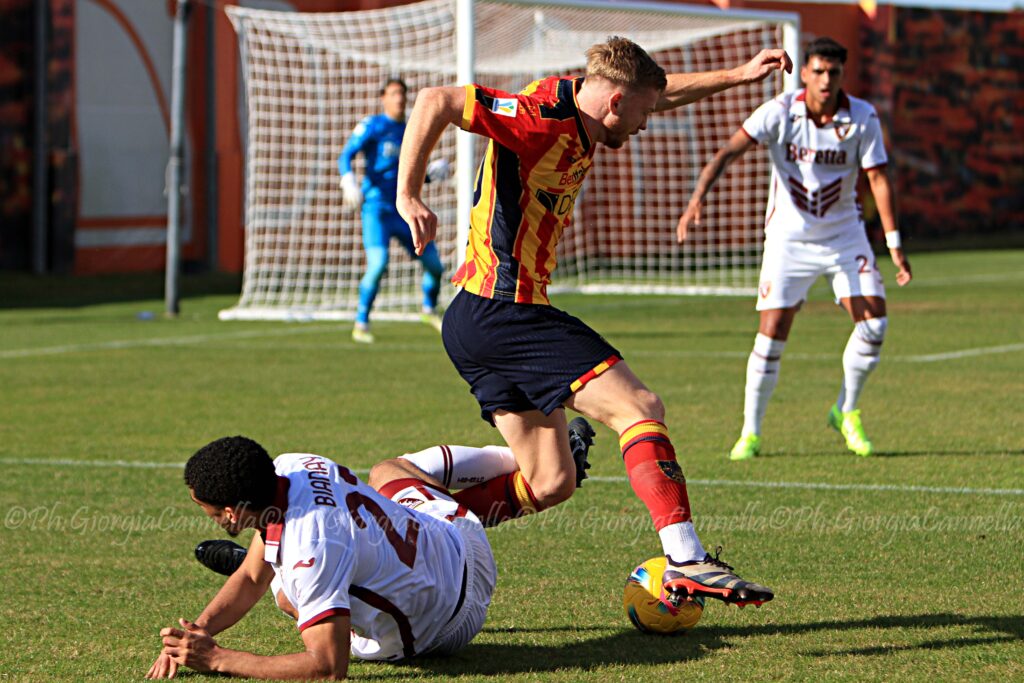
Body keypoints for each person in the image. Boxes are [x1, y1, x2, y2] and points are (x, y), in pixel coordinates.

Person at [395, 37, 791, 607]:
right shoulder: (538, 118)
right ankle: (685, 556)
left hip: (476, 322)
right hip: (504, 309)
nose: (646, 126)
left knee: (549, 481)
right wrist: (408, 194)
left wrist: (737, 75)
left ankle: (396, 524)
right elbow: (436, 99)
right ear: (615, 101)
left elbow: (659, 92)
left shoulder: (585, 99)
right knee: (640, 407)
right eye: (643, 115)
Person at [146, 432, 566, 679]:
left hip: (444, 630)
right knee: (388, 471)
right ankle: (528, 460)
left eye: (210, 512)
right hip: (462, 544)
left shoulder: (308, 556)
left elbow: (328, 667)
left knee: (287, 593)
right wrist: (196, 631)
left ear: (233, 512)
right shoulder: (294, 465)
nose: (209, 517)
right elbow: (252, 576)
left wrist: (218, 658)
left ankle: (273, 566)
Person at [676, 37, 912, 461]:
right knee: (771, 338)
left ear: (842, 75)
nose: (825, 80)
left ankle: (846, 409)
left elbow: (878, 179)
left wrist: (894, 243)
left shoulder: (863, 118)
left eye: (833, 73)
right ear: (804, 73)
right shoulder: (780, 113)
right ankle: (750, 432)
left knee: (874, 324)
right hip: (788, 239)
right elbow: (728, 151)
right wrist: (697, 198)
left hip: (844, 236)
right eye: (818, 71)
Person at [338, 78, 452, 344]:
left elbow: (409, 174)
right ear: (383, 98)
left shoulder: (412, 129)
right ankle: (361, 322)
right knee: (378, 265)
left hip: (406, 209)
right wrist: (348, 181)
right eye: (393, 93)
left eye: (402, 93)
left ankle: (428, 309)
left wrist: (430, 175)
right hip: (377, 210)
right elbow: (345, 155)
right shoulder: (372, 125)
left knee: (435, 266)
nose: (399, 98)